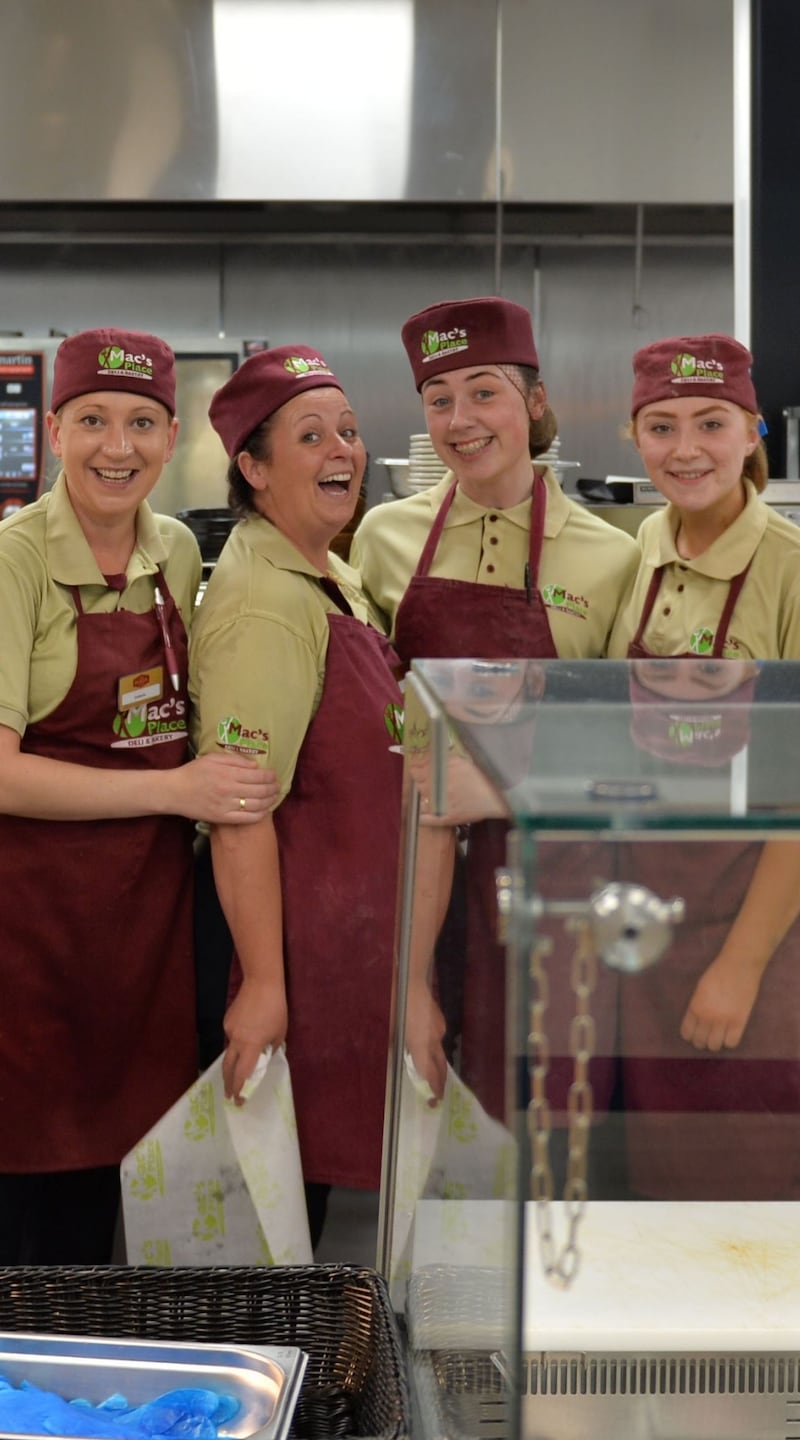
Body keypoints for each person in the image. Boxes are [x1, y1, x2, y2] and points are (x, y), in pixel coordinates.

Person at [0, 326, 274, 1265]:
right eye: (93, 421)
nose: (118, 447)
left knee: (117, 1190)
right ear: (53, 429)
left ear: (170, 434)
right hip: (29, 924)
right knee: (29, 1195)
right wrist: (176, 789)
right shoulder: (15, 560)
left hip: (141, 925)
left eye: (143, 422)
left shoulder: (176, 554)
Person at [351, 296, 639, 1138]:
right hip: (412, 864)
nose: (460, 419)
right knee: (418, 1132)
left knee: (541, 1125)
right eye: (439, 400)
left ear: (535, 403)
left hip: (553, 875)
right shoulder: (381, 537)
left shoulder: (611, 555)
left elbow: (619, 742)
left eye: (484, 393)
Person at [189, 345, 408, 1248]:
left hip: (338, 943)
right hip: (290, 953)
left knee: (305, 1223)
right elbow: (241, 809)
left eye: (350, 432)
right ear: (252, 467)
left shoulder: (327, 569)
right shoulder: (260, 602)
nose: (342, 451)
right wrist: (267, 987)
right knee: (278, 1234)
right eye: (310, 435)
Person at [607, 333, 800, 1198]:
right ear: (632, 435)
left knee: (750, 1188)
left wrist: (742, 965)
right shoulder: (645, 543)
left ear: (754, 431)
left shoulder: (792, 570)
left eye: (712, 423)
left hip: (760, 929)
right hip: (647, 929)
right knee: (652, 1189)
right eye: (662, 425)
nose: (686, 450)